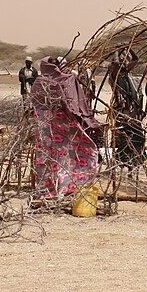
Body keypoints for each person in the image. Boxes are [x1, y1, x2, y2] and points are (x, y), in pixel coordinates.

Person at [31, 57, 100, 199]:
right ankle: (68, 185)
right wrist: (87, 120)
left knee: (47, 156)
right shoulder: (65, 80)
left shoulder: (38, 82)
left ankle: (48, 188)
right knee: (71, 153)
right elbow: (74, 104)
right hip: (62, 124)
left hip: (43, 126)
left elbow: (34, 103)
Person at [108, 49, 145, 172]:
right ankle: (120, 158)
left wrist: (129, 50)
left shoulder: (126, 74)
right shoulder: (115, 75)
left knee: (138, 137)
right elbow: (116, 64)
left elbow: (135, 59)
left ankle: (130, 163)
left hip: (133, 112)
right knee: (127, 138)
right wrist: (117, 53)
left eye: (125, 61)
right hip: (123, 113)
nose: (124, 63)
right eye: (121, 61)